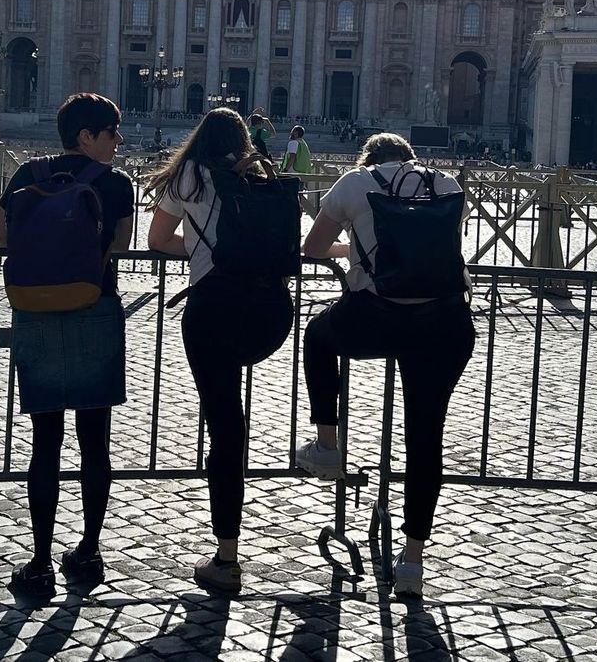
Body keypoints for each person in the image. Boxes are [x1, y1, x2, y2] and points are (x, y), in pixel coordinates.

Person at [298, 133, 474, 599]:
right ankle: (413, 562)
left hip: (377, 318)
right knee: (425, 438)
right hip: (445, 323)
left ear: (369, 159)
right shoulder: (448, 184)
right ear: (411, 160)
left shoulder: (355, 183)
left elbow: (314, 247)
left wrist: (350, 253)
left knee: (317, 337)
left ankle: (327, 444)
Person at [0, 94, 135, 596]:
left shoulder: (28, 173)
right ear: (86, 136)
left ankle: (40, 562)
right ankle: (89, 553)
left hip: (37, 312)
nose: (119, 140)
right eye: (112, 132)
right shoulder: (116, 184)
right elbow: (122, 246)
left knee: (45, 442)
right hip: (94, 309)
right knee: (96, 441)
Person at [146, 108, 296, 591]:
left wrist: (198, 249)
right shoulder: (260, 170)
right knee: (233, 419)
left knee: (226, 428)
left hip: (215, 308)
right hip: (272, 312)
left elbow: (157, 239)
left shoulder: (189, 172)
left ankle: (227, 556)